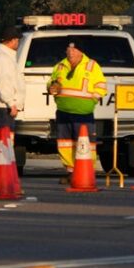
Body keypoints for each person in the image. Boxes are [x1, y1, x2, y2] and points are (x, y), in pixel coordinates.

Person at [47, 38, 107, 179]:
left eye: (74, 49)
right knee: (65, 143)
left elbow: (101, 86)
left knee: (86, 144)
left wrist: (92, 100)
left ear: (81, 52)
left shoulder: (92, 66)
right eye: (68, 48)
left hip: (83, 114)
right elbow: (51, 81)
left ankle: (86, 171)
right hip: (63, 112)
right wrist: (51, 87)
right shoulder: (60, 66)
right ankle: (71, 172)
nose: (70, 52)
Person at [0, 25, 23, 168]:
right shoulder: (2, 58)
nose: (18, 43)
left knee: (2, 139)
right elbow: (3, 82)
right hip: (2, 106)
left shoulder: (4, 56)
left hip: (2, 105)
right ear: (12, 40)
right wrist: (11, 103)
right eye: (17, 40)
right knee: (2, 139)